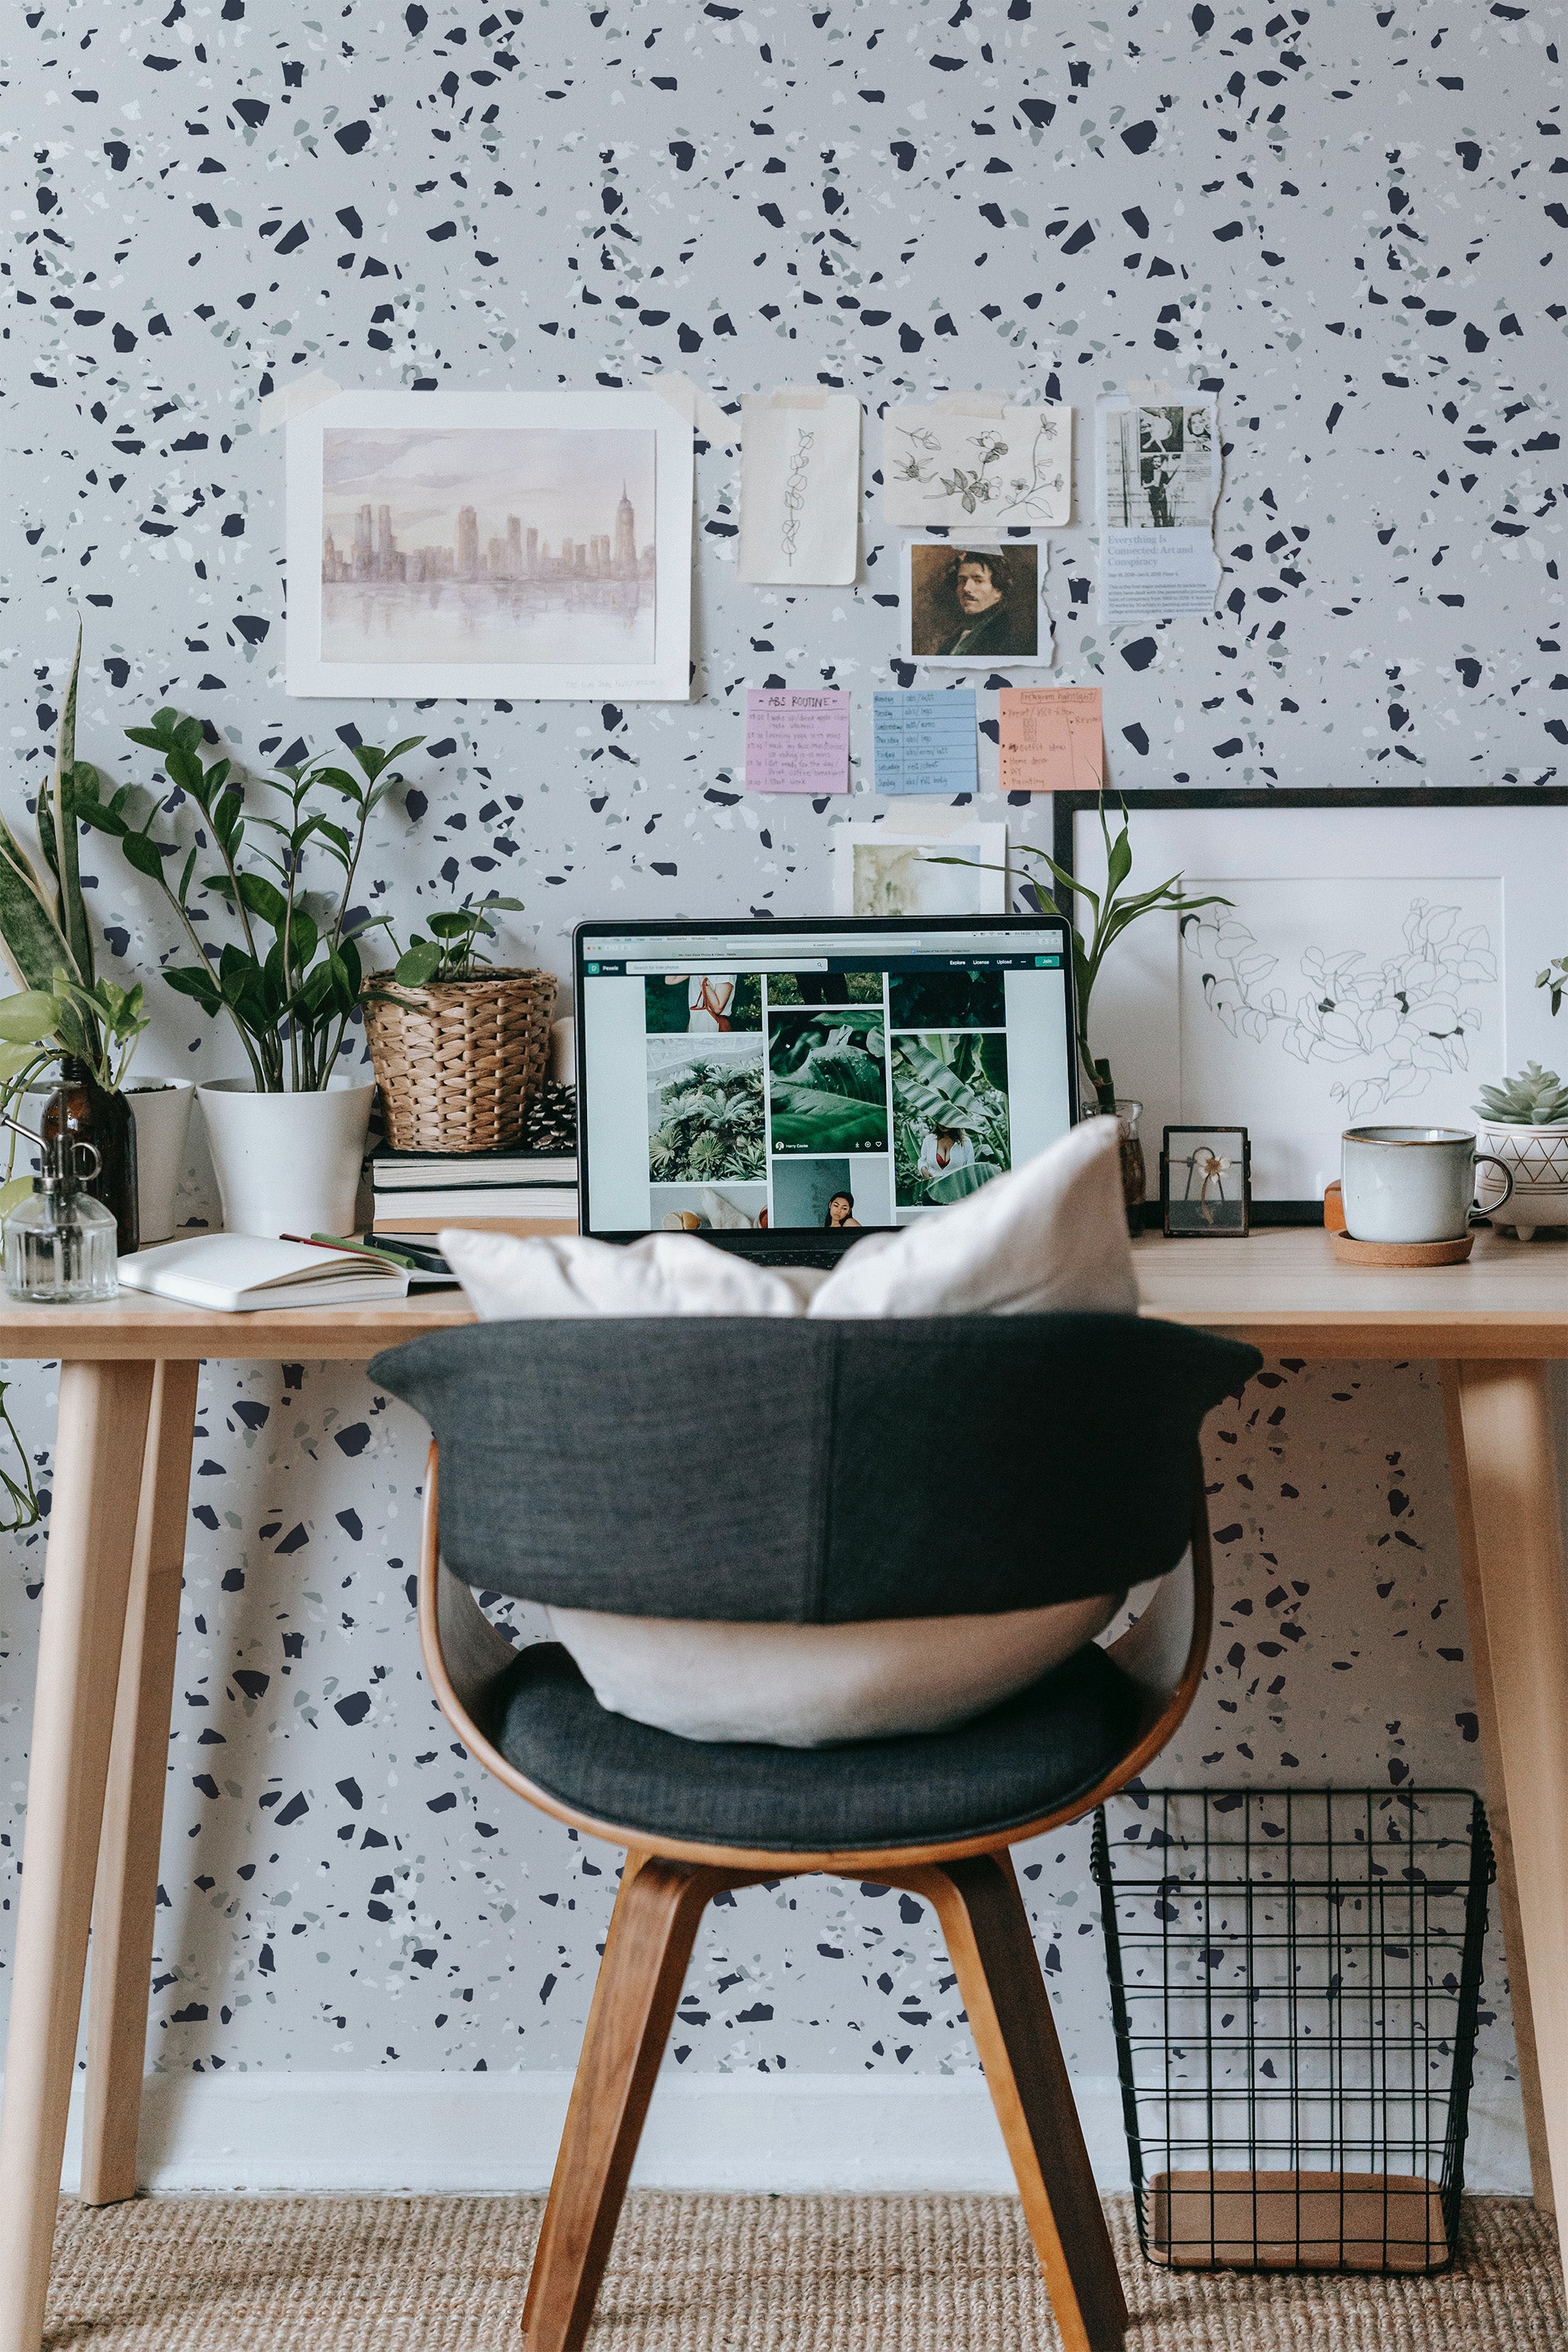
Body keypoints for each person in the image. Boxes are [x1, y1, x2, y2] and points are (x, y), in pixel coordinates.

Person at [937, 548, 1017, 659]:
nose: (966, 588)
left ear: (998, 590)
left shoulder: (1006, 637)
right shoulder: (953, 640)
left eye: (978, 581)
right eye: (962, 581)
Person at [664, 971, 734, 1031]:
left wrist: (703, 979)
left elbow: (717, 1008)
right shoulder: (696, 965)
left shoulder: (724, 968)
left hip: (717, 1028)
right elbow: (670, 980)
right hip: (695, 1025)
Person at [916, 1122, 975, 1186]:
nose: (942, 1124)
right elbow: (923, 1160)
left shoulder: (965, 1143)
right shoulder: (929, 1140)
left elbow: (970, 1170)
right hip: (933, 1187)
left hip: (957, 1188)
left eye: (946, 1120)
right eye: (940, 1120)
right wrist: (923, 1168)